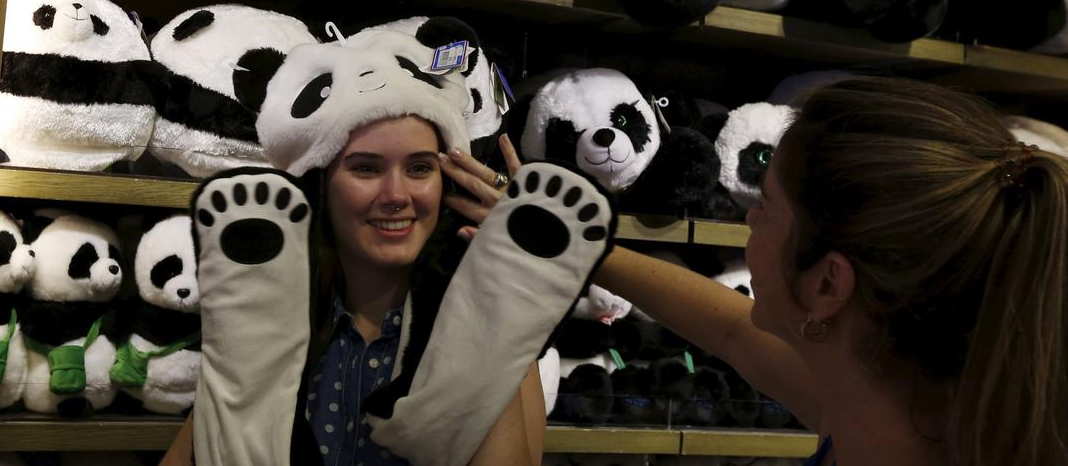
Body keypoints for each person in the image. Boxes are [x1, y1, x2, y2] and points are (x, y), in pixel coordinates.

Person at [588, 77, 1068, 466]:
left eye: (767, 206)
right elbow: (731, 330)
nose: (750, 218)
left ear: (827, 284)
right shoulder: (896, 405)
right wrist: (585, 248)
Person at [163, 33, 542, 465]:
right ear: (322, 185)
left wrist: (495, 293)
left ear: (446, 184)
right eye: (366, 168)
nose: (396, 195)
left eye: (419, 167)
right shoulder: (264, 321)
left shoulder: (491, 325)